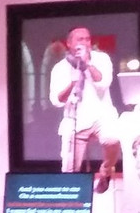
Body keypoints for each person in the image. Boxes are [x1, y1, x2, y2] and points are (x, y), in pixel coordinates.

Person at [48, 26, 120, 193]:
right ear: (69, 43)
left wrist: (87, 64)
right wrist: (72, 83)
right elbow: (56, 100)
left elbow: (103, 83)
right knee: (69, 171)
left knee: (113, 138)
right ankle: (73, 200)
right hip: (75, 119)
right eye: (80, 39)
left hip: (102, 116)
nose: (85, 42)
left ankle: (106, 172)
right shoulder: (60, 68)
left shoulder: (102, 59)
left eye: (87, 39)